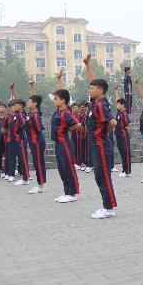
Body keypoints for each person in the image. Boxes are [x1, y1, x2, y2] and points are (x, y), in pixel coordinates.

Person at [82, 54, 118, 219]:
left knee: (103, 175)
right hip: (96, 145)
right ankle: (107, 205)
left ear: (100, 91)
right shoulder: (95, 103)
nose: (90, 90)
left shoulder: (101, 105)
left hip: (101, 145)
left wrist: (104, 134)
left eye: (92, 89)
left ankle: (109, 207)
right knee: (99, 175)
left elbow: (113, 122)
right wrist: (87, 65)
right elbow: (93, 82)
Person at [50, 74, 82, 203]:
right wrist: (58, 80)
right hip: (58, 144)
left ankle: (72, 193)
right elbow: (62, 92)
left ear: (63, 101)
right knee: (62, 169)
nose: (54, 100)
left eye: (56, 99)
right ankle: (66, 192)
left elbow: (78, 124)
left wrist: (68, 129)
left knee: (68, 168)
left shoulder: (66, 113)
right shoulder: (58, 111)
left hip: (65, 144)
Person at [15, 79, 47, 194]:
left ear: (34, 104)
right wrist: (32, 86)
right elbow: (35, 98)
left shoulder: (35, 115)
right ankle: (40, 185)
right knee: (37, 162)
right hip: (33, 142)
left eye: (29, 102)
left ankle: (40, 186)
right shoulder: (31, 114)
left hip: (37, 142)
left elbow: (38, 128)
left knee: (39, 163)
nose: (27, 103)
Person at [3, 97, 30, 185]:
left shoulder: (21, 115)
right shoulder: (10, 117)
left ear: (21, 106)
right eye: (12, 106)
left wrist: (18, 133)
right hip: (10, 140)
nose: (13, 107)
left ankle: (25, 176)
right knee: (11, 158)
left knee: (23, 158)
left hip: (20, 140)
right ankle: (11, 175)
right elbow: (4, 128)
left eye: (15, 105)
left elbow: (24, 126)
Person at [114, 97, 132, 177]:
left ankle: (127, 171)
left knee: (125, 153)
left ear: (123, 105)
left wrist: (127, 125)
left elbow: (128, 123)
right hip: (118, 135)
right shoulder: (118, 113)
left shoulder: (124, 113)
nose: (117, 106)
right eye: (116, 104)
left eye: (118, 104)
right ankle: (124, 170)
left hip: (123, 135)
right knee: (122, 153)